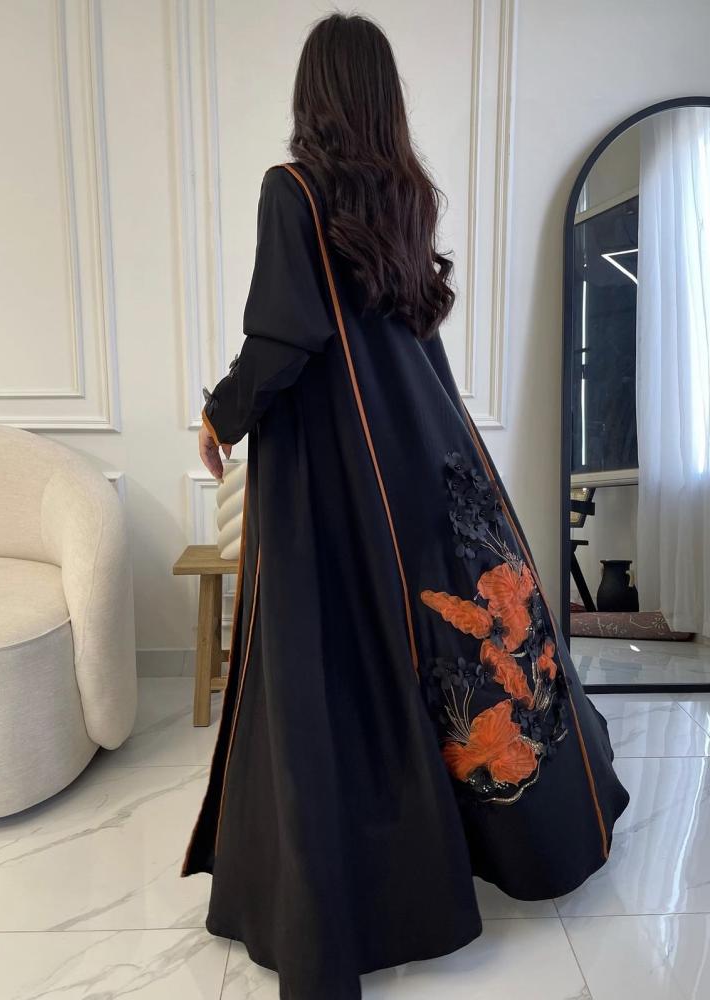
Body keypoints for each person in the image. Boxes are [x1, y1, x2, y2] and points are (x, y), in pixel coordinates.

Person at [181, 12, 629, 1000]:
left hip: (335, 470)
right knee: (449, 650)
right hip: (422, 446)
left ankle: (351, 894)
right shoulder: (403, 194)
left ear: (313, 92)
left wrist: (222, 414)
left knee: (335, 661)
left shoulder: (291, 188)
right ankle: (522, 836)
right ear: (382, 97)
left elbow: (285, 336)